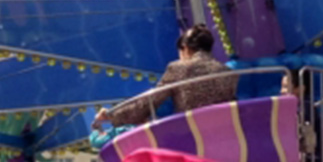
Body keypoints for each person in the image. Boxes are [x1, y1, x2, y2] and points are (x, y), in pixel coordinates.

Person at [94, 25, 236, 128]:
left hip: (192, 133)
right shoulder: (227, 72)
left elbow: (149, 101)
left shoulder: (178, 68)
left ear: (185, 47)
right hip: (226, 132)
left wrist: (112, 115)